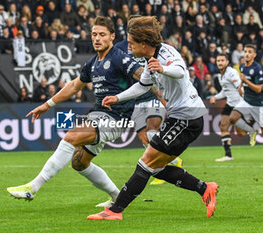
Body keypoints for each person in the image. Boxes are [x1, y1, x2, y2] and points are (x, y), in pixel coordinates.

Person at [87, 16, 218, 220]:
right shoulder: (150, 59)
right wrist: (117, 97)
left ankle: (115, 211)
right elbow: (143, 85)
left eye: (131, 43)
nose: (128, 47)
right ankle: (205, 188)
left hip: (187, 117)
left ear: (143, 44)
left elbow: (181, 72)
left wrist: (163, 68)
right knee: (155, 168)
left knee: (146, 161)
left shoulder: (166, 53)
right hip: (179, 116)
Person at [7, 16, 143, 207]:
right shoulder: (93, 62)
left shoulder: (119, 57)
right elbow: (73, 86)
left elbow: (143, 78)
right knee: (79, 163)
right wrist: (47, 105)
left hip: (116, 118)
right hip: (99, 115)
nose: (97, 38)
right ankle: (117, 197)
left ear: (112, 36)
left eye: (102, 35)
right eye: (94, 34)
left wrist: (163, 98)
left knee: (72, 135)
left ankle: (33, 188)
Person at [115, 38, 182, 186]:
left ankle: (161, 167)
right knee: (144, 137)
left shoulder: (146, 53)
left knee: (152, 130)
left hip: (152, 96)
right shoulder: (123, 55)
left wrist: (165, 101)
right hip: (136, 101)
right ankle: (171, 162)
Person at [209, 54, 247, 162]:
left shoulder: (231, 73)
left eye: (222, 60)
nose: (220, 62)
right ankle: (228, 155)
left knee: (241, 133)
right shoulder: (220, 75)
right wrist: (215, 97)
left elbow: (240, 87)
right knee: (223, 126)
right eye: (218, 60)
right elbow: (225, 91)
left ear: (227, 62)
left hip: (239, 105)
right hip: (230, 104)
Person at [229, 44, 262, 147]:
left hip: (258, 104)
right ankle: (251, 131)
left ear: (254, 55)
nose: (247, 54)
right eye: (245, 51)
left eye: (249, 52)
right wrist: (240, 87)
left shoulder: (257, 69)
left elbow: (259, 89)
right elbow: (242, 81)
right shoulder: (242, 66)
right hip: (247, 101)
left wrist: (245, 80)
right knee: (233, 118)